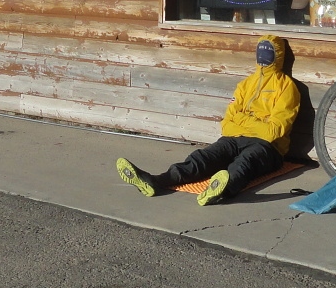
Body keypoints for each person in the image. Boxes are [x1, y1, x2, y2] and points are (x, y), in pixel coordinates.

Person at [117, 34, 300, 206]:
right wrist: (253, 123)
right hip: (235, 138)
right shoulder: (245, 85)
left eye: (268, 52)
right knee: (203, 158)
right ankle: (156, 180)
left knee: (244, 163)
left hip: (269, 148)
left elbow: (273, 132)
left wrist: (241, 118)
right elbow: (227, 126)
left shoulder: (286, 87)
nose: (263, 56)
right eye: (260, 51)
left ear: (278, 56)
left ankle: (221, 190)